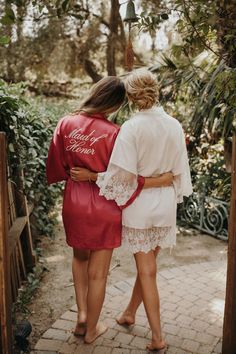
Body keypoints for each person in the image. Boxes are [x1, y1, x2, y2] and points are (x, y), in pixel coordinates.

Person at [46, 76, 174, 344]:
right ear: (116, 104)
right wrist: (158, 181)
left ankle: (81, 315)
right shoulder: (115, 133)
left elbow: (56, 166)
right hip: (106, 206)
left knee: (79, 258)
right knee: (99, 273)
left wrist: (74, 174)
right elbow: (124, 178)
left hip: (75, 201)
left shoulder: (65, 123)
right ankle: (92, 330)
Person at [70, 69, 193, 350]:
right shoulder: (174, 124)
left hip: (140, 207)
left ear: (130, 96)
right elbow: (180, 173)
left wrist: (91, 177)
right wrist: (163, 182)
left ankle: (158, 337)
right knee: (148, 268)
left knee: (146, 270)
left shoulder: (131, 128)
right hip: (164, 206)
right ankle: (129, 313)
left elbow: (119, 180)